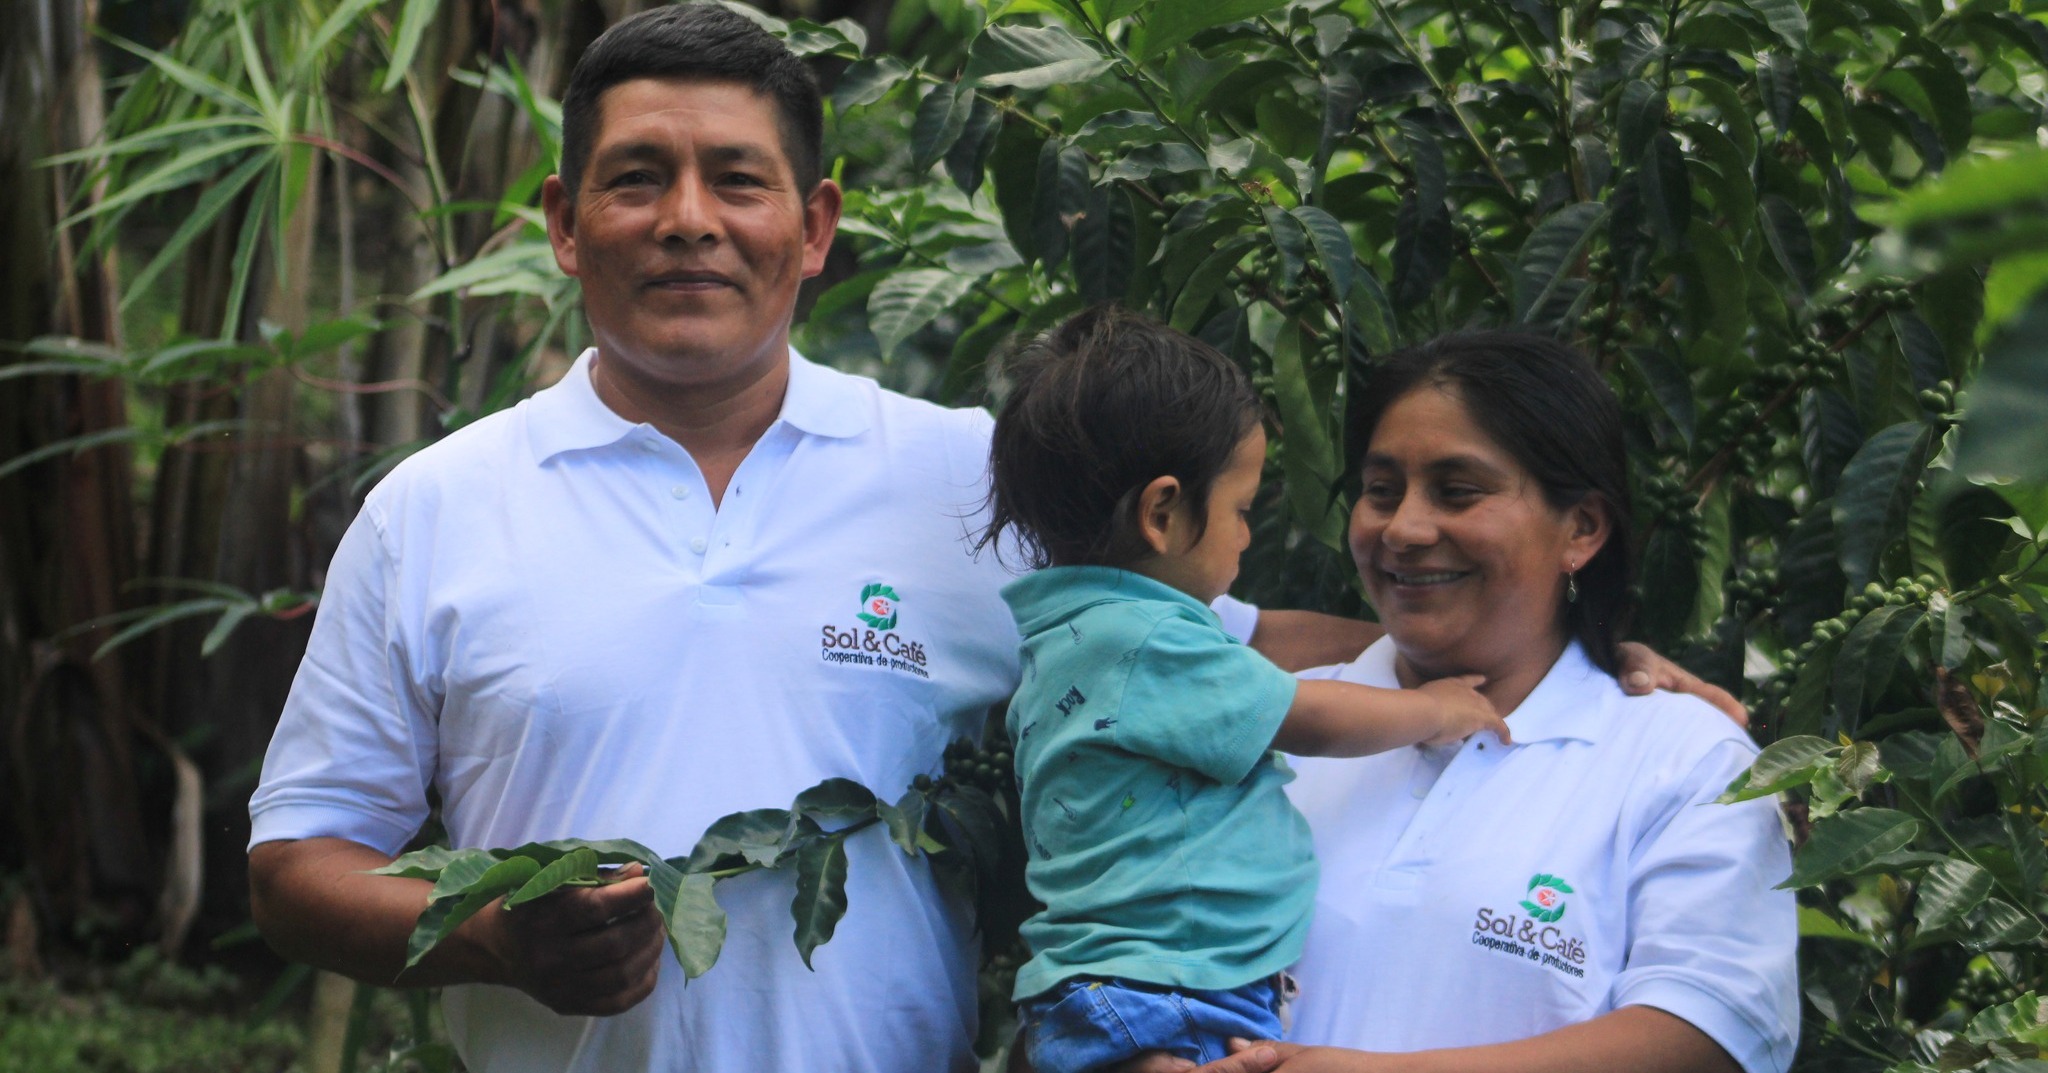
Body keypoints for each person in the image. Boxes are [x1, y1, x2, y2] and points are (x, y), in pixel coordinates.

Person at [244, 6, 1745, 1071]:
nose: (688, 219)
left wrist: (1580, 661)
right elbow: (301, 862)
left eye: (737, 179)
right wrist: (501, 943)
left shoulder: (963, 477)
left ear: (816, 227)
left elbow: (1211, 643)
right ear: (567, 222)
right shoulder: (438, 508)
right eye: (639, 178)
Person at [1141, 333, 1798, 1073]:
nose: (1405, 528)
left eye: (1459, 492)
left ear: (1581, 528)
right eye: (1382, 490)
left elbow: (1706, 1035)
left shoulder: (1687, 759)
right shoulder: (1263, 724)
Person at [980, 308, 1508, 1072]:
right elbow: (1308, 716)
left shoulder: (1074, 630)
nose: (1247, 536)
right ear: (1162, 512)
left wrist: (1419, 637)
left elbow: (1261, 636)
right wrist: (1435, 707)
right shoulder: (1155, 642)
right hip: (1177, 992)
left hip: (1109, 992)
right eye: (1240, 510)